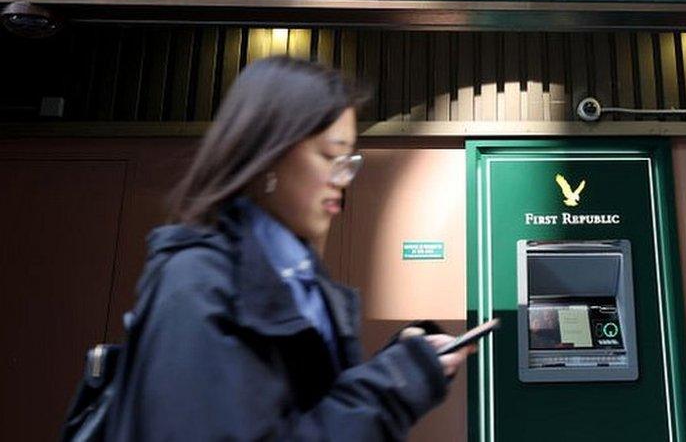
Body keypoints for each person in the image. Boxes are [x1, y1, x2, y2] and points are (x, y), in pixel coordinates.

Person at [105, 56, 474, 441]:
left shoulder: (301, 279)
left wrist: (404, 365)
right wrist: (396, 382)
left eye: (349, 161)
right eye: (330, 156)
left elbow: (309, 411)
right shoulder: (195, 282)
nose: (343, 179)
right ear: (269, 153)